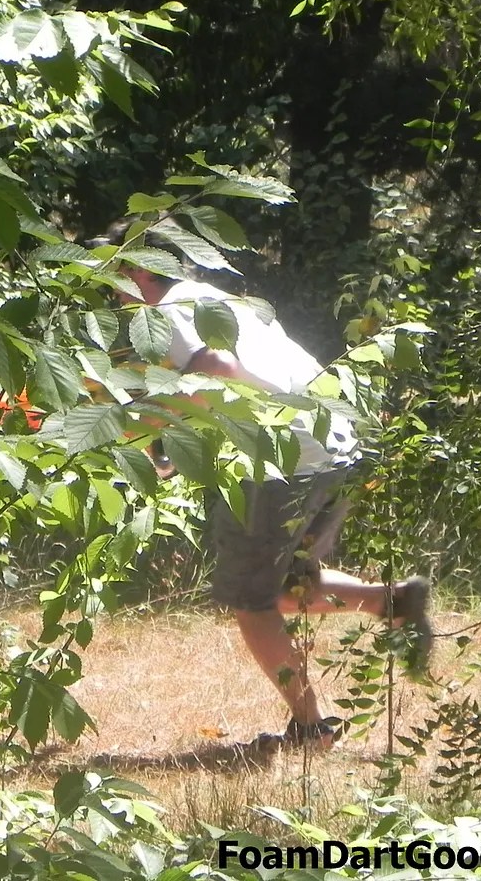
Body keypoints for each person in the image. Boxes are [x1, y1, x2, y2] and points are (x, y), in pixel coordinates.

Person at [97, 224, 433, 749]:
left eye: (112, 277)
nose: (111, 294)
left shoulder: (167, 312)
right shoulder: (217, 300)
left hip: (282, 458)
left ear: (138, 270)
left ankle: (311, 728)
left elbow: (216, 370)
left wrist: (133, 424)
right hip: (334, 444)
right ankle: (392, 602)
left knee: (251, 602)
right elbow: (221, 385)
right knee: (286, 587)